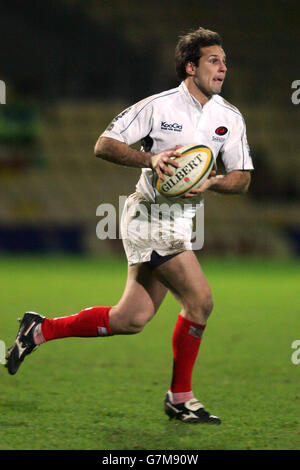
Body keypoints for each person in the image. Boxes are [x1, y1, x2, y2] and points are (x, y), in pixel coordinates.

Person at [6, 27, 253, 424]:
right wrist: (150, 160)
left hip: (182, 223)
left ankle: (39, 330)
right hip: (149, 217)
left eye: (224, 61)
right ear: (190, 67)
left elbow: (242, 178)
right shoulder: (158, 107)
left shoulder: (230, 117)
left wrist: (213, 183)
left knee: (131, 319)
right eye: (213, 60)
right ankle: (180, 397)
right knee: (200, 301)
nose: (223, 67)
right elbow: (103, 144)